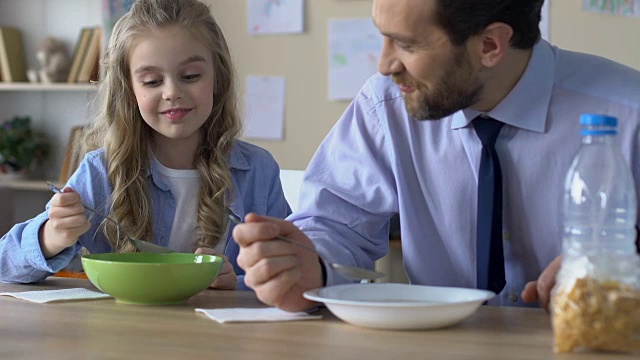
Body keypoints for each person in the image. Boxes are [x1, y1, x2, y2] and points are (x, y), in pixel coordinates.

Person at [232, 0, 640, 312]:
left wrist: (623, 272)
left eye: (406, 44)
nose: (385, 64)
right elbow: (333, 224)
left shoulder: (629, 114)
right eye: (383, 36)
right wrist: (309, 268)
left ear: (489, 45)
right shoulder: (385, 106)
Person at [0, 0, 290, 291]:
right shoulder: (102, 172)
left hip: (222, 335)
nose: (173, 92)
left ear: (218, 78)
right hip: (126, 334)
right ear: (129, 90)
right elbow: (5, 263)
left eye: (190, 76)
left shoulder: (257, 171)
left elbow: (291, 274)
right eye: (152, 81)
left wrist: (239, 284)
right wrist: (50, 237)